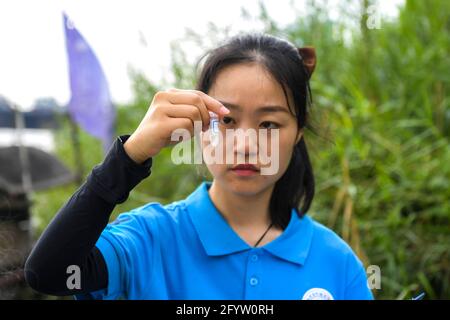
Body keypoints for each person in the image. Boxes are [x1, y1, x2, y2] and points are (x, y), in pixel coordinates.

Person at [24, 33, 374, 300]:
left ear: (298, 132)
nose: (246, 145)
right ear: (197, 125)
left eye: (269, 124)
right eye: (227, 120)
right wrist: (129, 156)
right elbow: (51, 273)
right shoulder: (150, 240)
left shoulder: (337, 264)